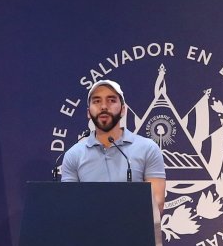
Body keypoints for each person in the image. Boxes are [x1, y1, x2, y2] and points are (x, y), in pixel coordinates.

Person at [60, 80, 166, 213]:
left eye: (111, 100)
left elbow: (157, 203)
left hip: (134, 232)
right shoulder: (73, 154)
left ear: (123, 109)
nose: (104, 106)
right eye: (96, 101)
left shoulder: (148, 148)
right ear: (88, 112)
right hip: (87, 232)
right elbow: (69, 205)